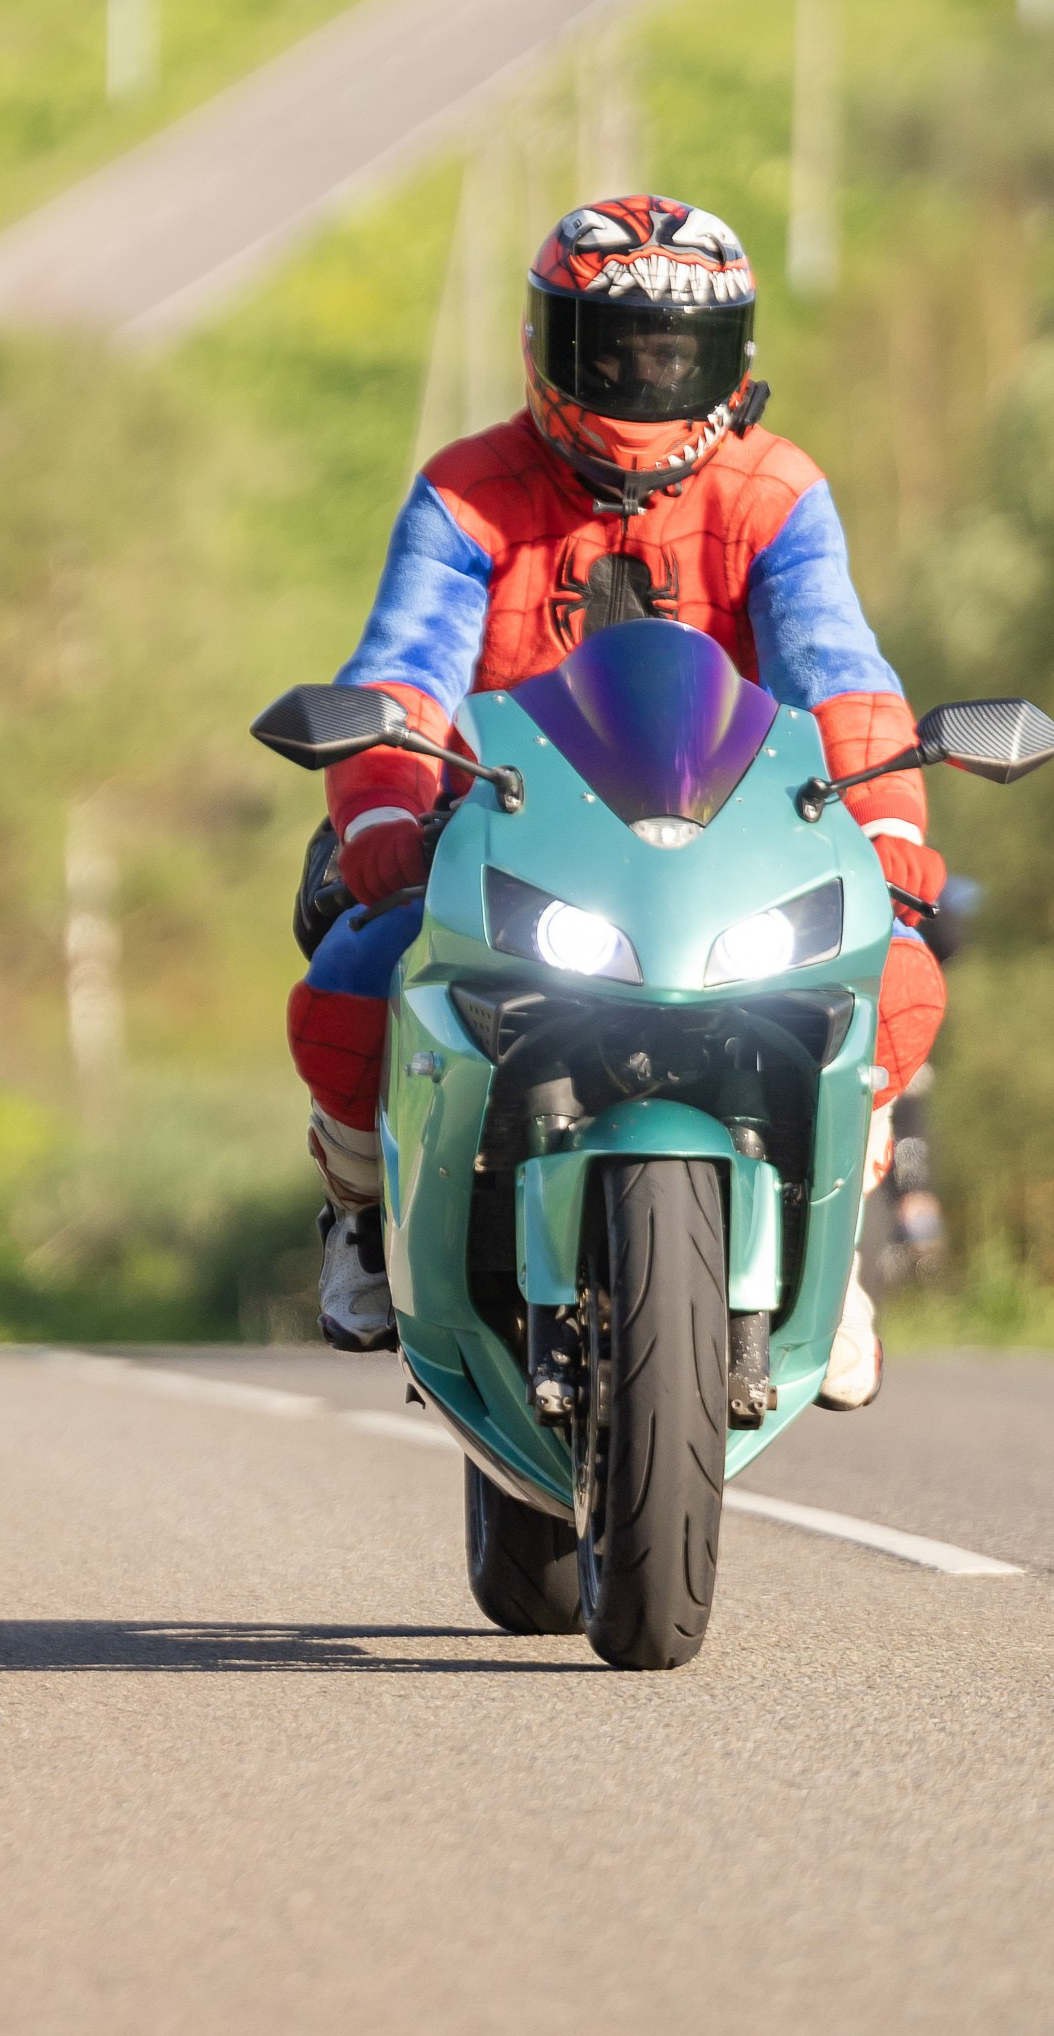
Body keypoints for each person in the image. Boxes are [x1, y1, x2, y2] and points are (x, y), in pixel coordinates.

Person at [289, 195, 947, 1407]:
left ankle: (833, 1253)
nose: (646, 379)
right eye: (616, 350)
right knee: (345, 979)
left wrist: (890, 820)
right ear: (547, 347)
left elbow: (835, 662)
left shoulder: (777, 494)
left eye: (675, 355)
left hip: (740, 841)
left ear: (733, 362)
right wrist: (381, 806)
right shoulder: (465, 492)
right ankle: (359, 1212)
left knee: (896, 976)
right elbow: (403, 665)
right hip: (507, 826)